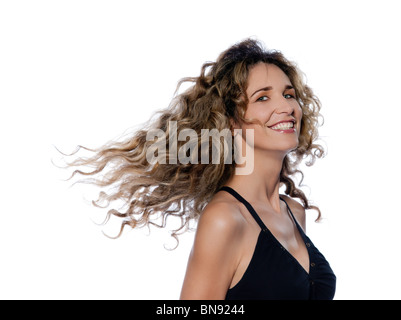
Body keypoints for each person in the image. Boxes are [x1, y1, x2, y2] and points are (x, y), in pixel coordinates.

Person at [64, 38, 336, 300]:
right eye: (262, 98)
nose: (286, 106)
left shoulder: (294, 213)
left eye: (289, 94)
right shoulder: (225, 219)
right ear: (231, 122)